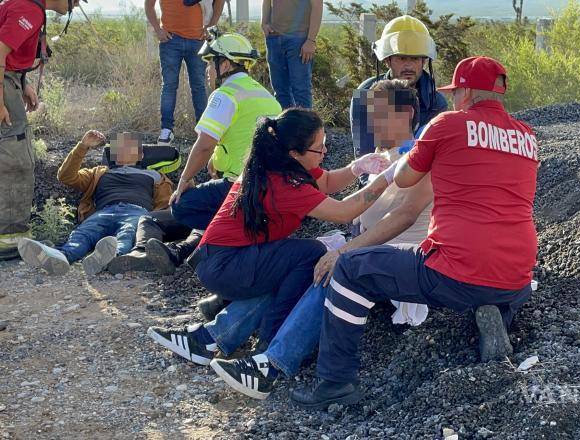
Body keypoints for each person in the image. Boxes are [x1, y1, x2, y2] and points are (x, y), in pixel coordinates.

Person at [291, 56, 540, 410]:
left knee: (350, 269)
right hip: (517, 276)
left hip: (454, 269)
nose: (453, 99)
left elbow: (406, 178)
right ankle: (497, 312)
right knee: (491, 272)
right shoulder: (528, 137)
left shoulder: (448, 124)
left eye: (455, 93)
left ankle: (334, 383)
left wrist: (394, 164)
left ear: (465, 92)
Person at [206, 80, 438, 400]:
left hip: (397, 256)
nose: (373, 122)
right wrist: (359, 174)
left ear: (407, 113)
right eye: (371, 114)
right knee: (307, 260)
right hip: (365, 247)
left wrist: (346, 249)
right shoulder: (383, 156)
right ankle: (223, 334)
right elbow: (342, 200)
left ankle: (271, 365)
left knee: (332, 268)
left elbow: (403, 217)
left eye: (382, 114)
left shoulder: (418, 157)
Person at [146, 108, 392, 368]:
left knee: (290, 268)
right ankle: (269, 341)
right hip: (225, 265)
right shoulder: (283, 183)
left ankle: (210, 338)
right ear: (294, 153)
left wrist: (357, 168)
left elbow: (328, 181)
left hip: (224, 259)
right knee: (310, 254)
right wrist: (390, 176)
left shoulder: (276, 164)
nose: (325, 153)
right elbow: (345, 212)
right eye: (319, 149)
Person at [125, 31, 281, 276]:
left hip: (240, 188)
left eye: (210, 63)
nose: (208, 70)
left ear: (226, 64)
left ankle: (218, 237)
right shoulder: (267, 96)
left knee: (182, 206)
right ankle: (189, 248)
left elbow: (204, 143)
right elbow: (242, 138)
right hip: (270, 190)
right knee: (207, 205)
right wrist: (215, 159)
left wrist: (184, 181)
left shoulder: (225, 94)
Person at [17, 131, 174, 276]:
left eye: (128, 148)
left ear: (140, 154)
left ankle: (111, 258)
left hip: (136, 212)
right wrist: (83, 146)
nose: (122, 151)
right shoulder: (99, 172)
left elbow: (166, 204)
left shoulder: (155, 176)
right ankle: (60, 257)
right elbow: (65, 176)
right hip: (103, 212)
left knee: (126, 235)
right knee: (81, 234)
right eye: (118, 148)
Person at [0, 0, 84, 260]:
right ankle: (10, 239)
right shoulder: (30, 10)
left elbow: (10, 54)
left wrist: (22, 83)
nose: (77, 4)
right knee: (16, 160)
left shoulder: (24, 4)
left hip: (10, 79)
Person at [350, 15, 448, 159]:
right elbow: (364, 156)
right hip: (378, 172)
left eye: (414, 58)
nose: (408, 65)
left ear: (423, 61)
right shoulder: (366, 93)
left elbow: (436, 158)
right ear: (387, 60)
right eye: (402, 58)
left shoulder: (436, 102)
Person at [145, 0, 225, 145]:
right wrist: (158, 30)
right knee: (169, 86)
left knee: (198, 86)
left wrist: (211, 26)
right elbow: (149, 5)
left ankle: (203, 131)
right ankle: (166, 130)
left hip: (197, 40)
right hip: (170, 40)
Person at [261, 0, 323, 109]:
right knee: (280, 91)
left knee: (301, 91)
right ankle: (285, 125)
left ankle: (304, 126)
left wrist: (311, 40)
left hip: (299, 40)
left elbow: (317, 5)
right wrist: (264, 23)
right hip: (274, 37)